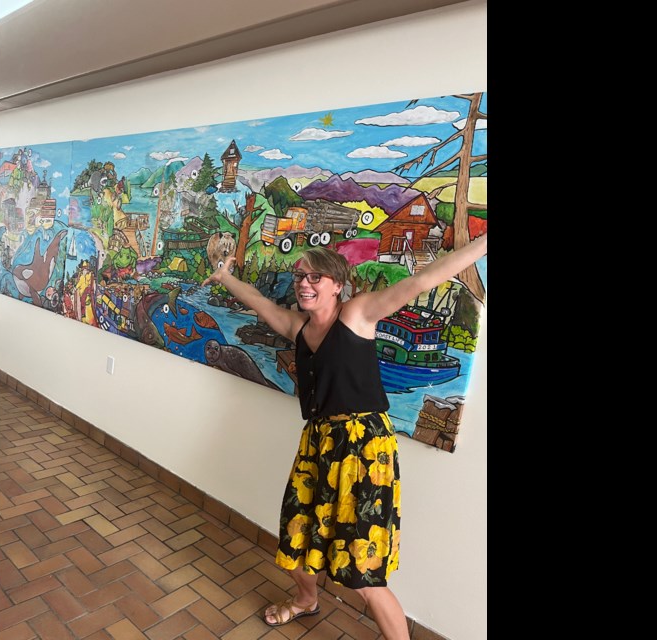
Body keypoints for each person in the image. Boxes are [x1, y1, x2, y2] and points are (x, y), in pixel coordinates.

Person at [202, 233, 487, 639]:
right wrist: (224, 277)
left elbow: (420, 282)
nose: (305, 282)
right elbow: (260, 302)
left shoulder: (357, 315)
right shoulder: (298, 326)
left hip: (364, 448)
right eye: (301, 275)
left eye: (316, 277)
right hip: (318, 441)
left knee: (363, 571)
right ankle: (305, 600)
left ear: (337, 286)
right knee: (296, 535)